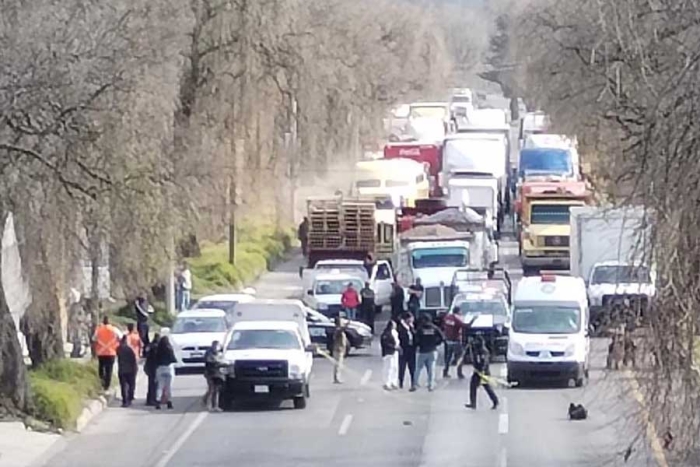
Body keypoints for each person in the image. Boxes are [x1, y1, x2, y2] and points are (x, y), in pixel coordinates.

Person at [465, 336, 499, 410]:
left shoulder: (483, 351)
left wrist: (482, 370)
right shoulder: (476, 350)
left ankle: (495, 401)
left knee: (487, 387)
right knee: (473, 386)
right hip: (477, 371)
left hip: (483, 372)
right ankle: (473, 403)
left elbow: (484, 361)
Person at [413, 313, 444, 392]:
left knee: (418, 368)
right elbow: (442, 337)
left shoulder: (420, 329)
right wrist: (436, 343)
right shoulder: (435, 328)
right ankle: (431, 385)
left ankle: (415, 384)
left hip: (423, 351)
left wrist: (419, 345)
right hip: (432, 351)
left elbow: (416, 339)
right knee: (431, 369)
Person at [93, 316, 120, 391]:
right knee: (109, 370)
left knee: (101, 368)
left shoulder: (99, 330)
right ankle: (107, 386)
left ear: (103, 321)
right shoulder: (114, 329)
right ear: (109, 322)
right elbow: (121, 337)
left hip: (101, 352)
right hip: (111, 352)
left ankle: (102, 383)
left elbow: (94, 339)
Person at [203, 340, 227, 412]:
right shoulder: (209, 353)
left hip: (217, 373)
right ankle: (208, 403)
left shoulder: (219, 353)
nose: (217, 347)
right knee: (212, 389)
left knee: (215, 390)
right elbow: (211, 361)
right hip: (210, 373)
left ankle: (214, 405)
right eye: (216, 345)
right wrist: (221, 363)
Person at [154, 335, 177, 410]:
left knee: (160, 386)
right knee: (168, 387)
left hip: (160, 368)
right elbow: (173, 359)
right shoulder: (169, 348)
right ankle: (169, 402)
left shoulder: (158, 349)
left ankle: (158, 401)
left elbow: (156, 360)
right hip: (168, 368)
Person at [442, 306, 465, 379]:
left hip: (448, 341)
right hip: (456, 341)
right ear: (458, 311)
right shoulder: (457, 319)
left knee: (448, 358)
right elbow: (465, 326)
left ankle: (445, 372)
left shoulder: (447, 317)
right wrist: (473, 320)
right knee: (459, 357)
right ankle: (459, 373)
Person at [117, 335, 138, 407]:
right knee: (131, 385)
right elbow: (133, 360)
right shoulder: (129, 349)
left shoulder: (118, 349)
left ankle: (125, 401)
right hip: (130, 370)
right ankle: (129, 398)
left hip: (122, 369)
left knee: (123, 386)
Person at [397, 312, 417, 390]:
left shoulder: (411, 327)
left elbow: (415, 336)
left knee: (412, 367)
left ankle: (413, 382)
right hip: (404, 349)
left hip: (411, 349)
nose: (412, 320)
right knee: (402, 367)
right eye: (411, 318)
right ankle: (401, 382)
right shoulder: (400, 328)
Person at [380, 320, 400, 390]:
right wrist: (393, 347)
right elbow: (385, 343)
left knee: (395, 367)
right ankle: (386, 383)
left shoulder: (395, 332)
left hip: (395, 352)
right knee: (389, 368)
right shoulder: (386, 334)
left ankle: (393, 382)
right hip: (388, 353)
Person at [144, 333, 160, 406]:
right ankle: (152, 400)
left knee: (151, 384)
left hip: (148, 367)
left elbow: (145, 353)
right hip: (153, 367)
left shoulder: (149, 346)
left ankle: (149, 399)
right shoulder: (156, 347)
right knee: (154, 384)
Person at [332, 316, 348, 384]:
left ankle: (337, 377)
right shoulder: (338, 330)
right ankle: (336, 378)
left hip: (340, 349)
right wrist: (347, 324)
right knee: (338, 365)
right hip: (338, 350)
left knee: (339, 365)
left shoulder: (338, 330)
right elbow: (342, 329)